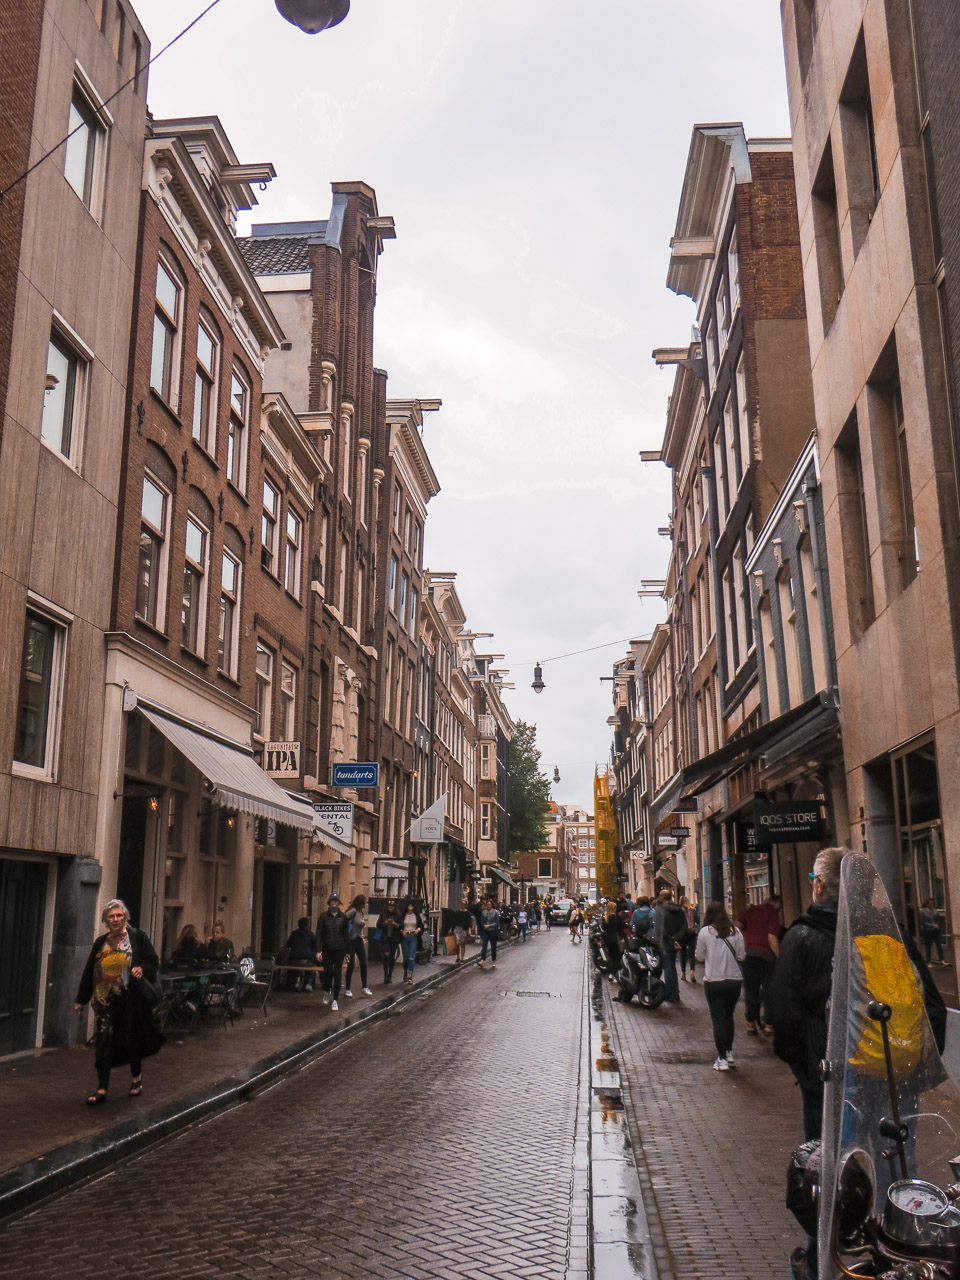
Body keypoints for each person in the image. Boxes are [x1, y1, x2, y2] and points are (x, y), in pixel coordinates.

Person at [74, 899, 165, 1105]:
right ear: (106, 921)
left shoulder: (136, 937)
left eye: (118, 916)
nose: (115, 919)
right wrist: (81, 998)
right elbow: (90, 970)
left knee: (131, 1040)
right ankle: (102, 1088)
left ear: (125, 917)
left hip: (130, 999)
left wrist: (141, 969)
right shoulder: (100, 943)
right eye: (111, 917)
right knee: (103, 1041)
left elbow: (152, 960)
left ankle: (136, 1079)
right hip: (105, 1002)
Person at [695, 901, 746, 1071]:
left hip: (714, 981)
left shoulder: (705, 932)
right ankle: (729, 1053)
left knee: (718, 1019)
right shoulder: (735, 931)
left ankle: (722, 1058)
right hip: (734, 980)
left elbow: (700, 957)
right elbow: (741, 956)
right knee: (728, 1016)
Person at [740, 893, 782, 1033]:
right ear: (778, 905)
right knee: (769, 990)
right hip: (766, 957)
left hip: (749, 955)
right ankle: (768, 1024)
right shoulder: (773, 914)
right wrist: (779, 957)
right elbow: (771, 938)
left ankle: (750, 1024)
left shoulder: (753, 910)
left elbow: (737, 924)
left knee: (750, 990)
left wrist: (745, 939)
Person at [317, 893, 351, 1010]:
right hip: (327, 948)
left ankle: (335, 999)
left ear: (339, 903)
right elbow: (319, 934)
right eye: (333, 900)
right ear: (329, 902)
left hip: (339, 949)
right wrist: (318, 950)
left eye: (336, 900)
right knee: (327, 973)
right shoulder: (323, 917)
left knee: (337, 974)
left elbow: (346, 934)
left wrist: (348, 951)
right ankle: (327, 989)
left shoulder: (343, 917)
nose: (334, 902)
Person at [654, 890, 687, 1004]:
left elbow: (659, 929)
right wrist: (677, 939)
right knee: (672, 967)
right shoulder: (679, 910)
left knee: (668, 968)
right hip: (676, 942)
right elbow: (684, 926)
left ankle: (670, 993)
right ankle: (675, 992)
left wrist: (670, 940)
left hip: (665, 943)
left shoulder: (660, 910)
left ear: (661, 897)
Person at [344, 894, 373, 997]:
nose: (366, 903)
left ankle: (364, 987)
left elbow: (359, 925)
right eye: (365, 902)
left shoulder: (361, 912)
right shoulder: (353, 911)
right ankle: (347, 988)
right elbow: (344, 919)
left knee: (363, 963)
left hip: (358, 940)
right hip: (350, 941)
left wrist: (361, 934)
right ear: (360, 903)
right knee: (351, 966)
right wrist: (349, 929)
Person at [284, 917, 320, 991]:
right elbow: (316, 947)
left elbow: (288, 944)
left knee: (291, 966)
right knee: (313, 967)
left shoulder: (293, 934)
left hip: (294, 961)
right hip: (307, 961)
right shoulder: (311, 935)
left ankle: (295, 981)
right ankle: (309, 983)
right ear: (307, 925)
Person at [376, 899, 402, 983]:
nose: (390, 909)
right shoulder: (383, 914)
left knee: (391, 957)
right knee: (386, 956)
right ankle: (385, 974)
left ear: (395, 907)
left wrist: (395, 924)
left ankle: (390, 974)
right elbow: (378, 925)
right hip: (385, 938)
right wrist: (384, 923)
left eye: (392, 907)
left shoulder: (398, 915)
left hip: (394, 938)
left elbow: (401, 926)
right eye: (389, 907)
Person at [400, 899, 425, 984]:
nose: (410, 907)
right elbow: (399, 925)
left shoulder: (416, 916)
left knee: (411, 957)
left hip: (413, 936)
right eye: (409, 906)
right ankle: (405, 971)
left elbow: (421, 925)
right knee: (406, 958)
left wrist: (418, 929)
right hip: (405, 937)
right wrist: (401, 931)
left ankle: (410, 975)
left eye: (412, 906)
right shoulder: (403, 916)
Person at [919, 897, 949, 965]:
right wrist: (932, 925)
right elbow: (923, 922)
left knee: (939, 945)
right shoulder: (923, 911)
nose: (931, 905)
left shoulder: (935, 911)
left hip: (936, 931)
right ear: (927, 904)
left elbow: (938, 920)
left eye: (932, 903)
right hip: (928, 931)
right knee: (928, 946)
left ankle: (942, 960)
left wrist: (938, 925)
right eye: (929, 903)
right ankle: (928, 961)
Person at [679, 896, 699, 984]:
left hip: (682, 935)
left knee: (682, 953)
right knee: (691, 953)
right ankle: (692, 971)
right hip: (692, 933)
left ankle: (683, 973)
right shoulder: (693, 910)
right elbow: (698, 921)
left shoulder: (679, 911)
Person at [478, 899, 500, 969]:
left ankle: (493, 960)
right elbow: (481, 921)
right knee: (484, 945)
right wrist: (483, 926)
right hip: (486, 931)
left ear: (492, 905)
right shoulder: (483, 912)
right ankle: (482, 960)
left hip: (493, 931)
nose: (488, 906)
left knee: (493, 946)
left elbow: (497, 923)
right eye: (487, 905)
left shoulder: (495, 912)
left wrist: (489, 925)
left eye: (489, 904)